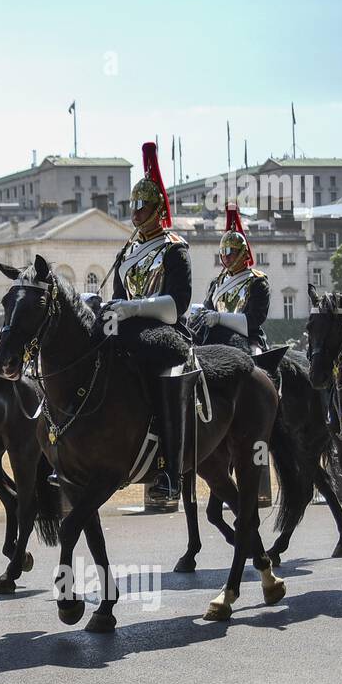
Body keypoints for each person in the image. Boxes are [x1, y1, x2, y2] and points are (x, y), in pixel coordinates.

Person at [101, 141, 194, 500]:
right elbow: (119, 297)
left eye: (143, 206)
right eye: (133, 206)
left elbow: (177, 305)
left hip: (164, 332)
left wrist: (134, 309)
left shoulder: (174, 247)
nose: (136, 213)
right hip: (128, 330)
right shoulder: (128, 251)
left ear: (158, 209)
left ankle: (171, 469)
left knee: (166, 378)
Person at [192, 201, 269, 353]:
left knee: (258, 358)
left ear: (243, 253)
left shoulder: (257, 282)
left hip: (248, 337)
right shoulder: (217, 283)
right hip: (215, 336)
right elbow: (209, 310)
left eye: (231, 252)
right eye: (223, 252)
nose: (226, 257)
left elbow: (254, 319)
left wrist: (220, 318)